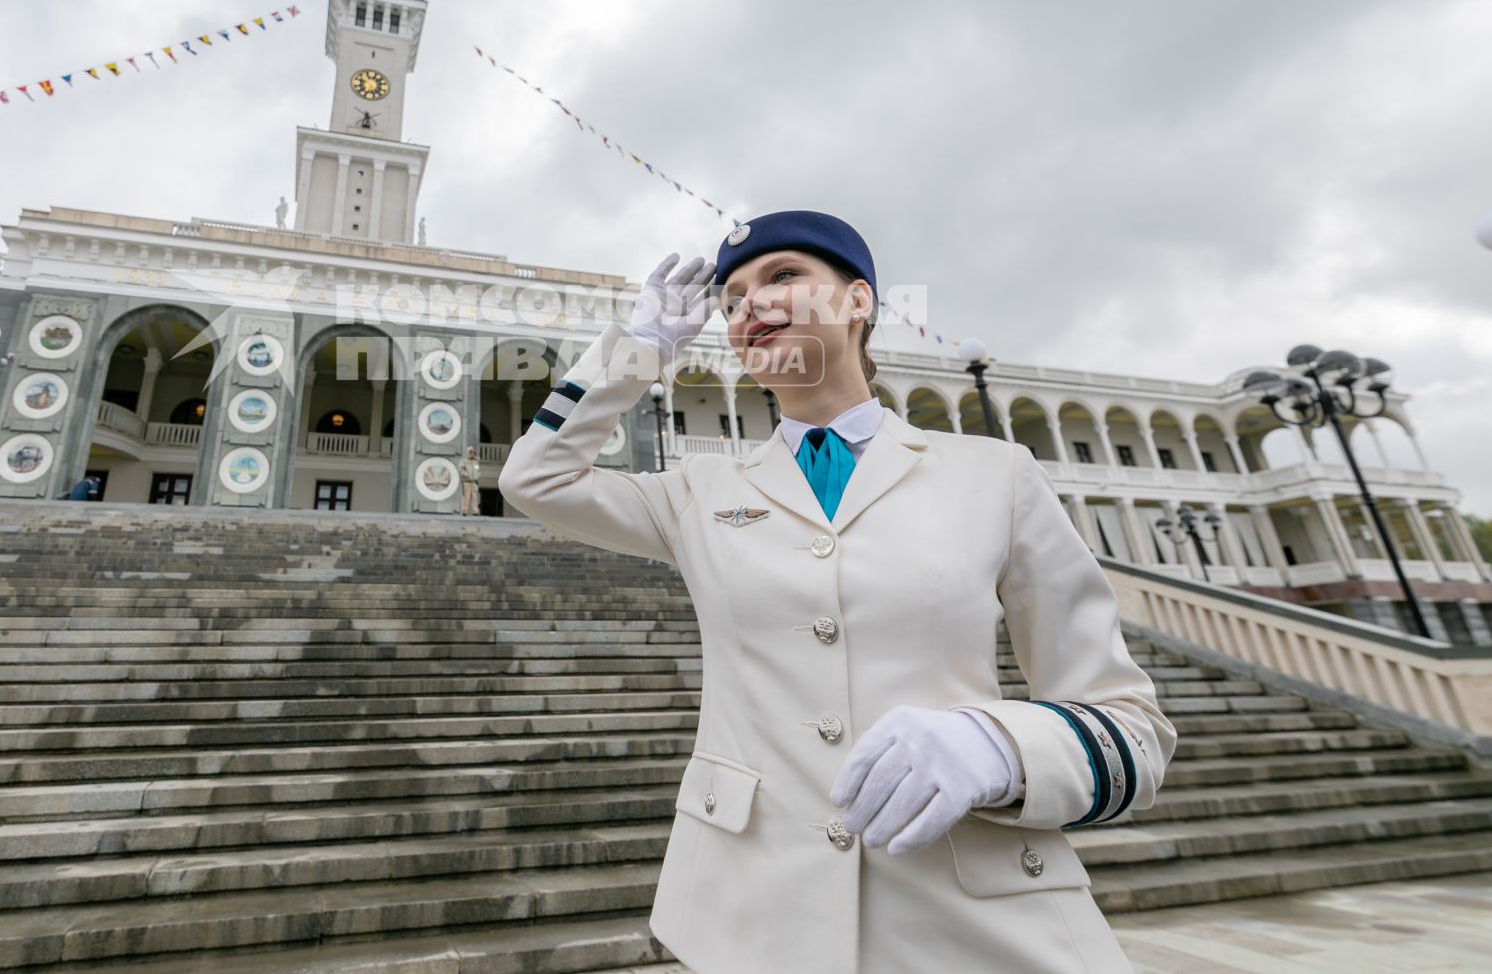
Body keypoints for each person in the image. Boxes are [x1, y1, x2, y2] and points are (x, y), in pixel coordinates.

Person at [498, 210, 1177, 974]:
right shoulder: (698, 490)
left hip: (971, 918)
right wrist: (635, 355)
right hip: (752, 918)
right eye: (730, 300)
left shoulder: (997, 475)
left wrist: (1002, 748)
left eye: (783, 276)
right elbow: (534, 478)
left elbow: (1133, 730)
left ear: (859, 303)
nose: (748, 304)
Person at [458, 446, 481, 515]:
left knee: (474, 497)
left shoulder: (475, 462)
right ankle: (464, 511)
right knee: (466, 496)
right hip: (466, 481)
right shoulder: (464, 461)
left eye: (473, 452)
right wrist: (466, 474)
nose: (472, 454)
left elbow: (477, 470)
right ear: (467, 453)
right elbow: (460, 470)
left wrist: (477, 476)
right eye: (470, 452)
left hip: (474, 482)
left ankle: (475, 511)